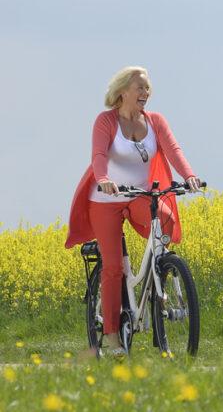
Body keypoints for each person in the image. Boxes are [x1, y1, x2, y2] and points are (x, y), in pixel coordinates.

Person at [65, 67, 202, 355]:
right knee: (114, 267)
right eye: (140, 88)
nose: (145, 93)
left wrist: (189, 175)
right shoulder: (105, 121)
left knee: (165, 219)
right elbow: (99, 155)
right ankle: (113, 336)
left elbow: (173, 150)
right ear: (122, 91)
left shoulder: (155, 121)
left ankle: (159, 279)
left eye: (147, 88)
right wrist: (103, 180)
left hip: (140, 195)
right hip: (105, 202)